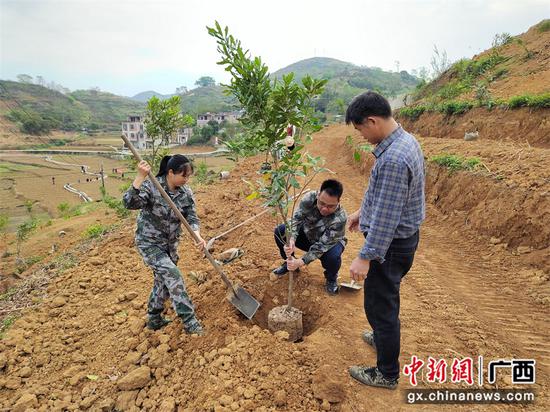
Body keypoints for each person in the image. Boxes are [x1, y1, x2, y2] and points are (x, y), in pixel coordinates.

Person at [345, 92, 425, 389]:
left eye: (360, 130)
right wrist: (361, 212)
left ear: (372, 121)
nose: (362, 136)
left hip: (390, 246)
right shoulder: (404, 141)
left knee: (382, 306)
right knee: (382, 300)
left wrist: (365, 255)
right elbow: (386, 197)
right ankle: (381, 336)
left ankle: (387, 373)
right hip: (401, 239)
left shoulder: (393, 158)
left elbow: (388, 218)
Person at [122, 154, 207, 335]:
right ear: (170, 172)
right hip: (150, 244)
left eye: (189, 176)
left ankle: (154, 318)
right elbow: (129, 203)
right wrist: (139, 177)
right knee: (172, 275)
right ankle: (189, 321)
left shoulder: (185, 193)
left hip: (170, 245)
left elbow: (191, 217)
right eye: (184, 176)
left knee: (162, 280)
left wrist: (197, 236)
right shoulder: (152, 186)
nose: (187, 180)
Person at [273, 179, 347, 295]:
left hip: (329, 243)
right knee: (280, 232)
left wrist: (301, 261)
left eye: (330, 206)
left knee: (333, 257)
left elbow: (322, 246)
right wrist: (291, 238)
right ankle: (289, 263)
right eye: (322, 203)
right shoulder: (309, 198)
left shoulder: (340, 218)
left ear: (338, 202)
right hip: (308, 234)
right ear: (318, 195)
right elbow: (297, 220)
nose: (324, 209)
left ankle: (331, 278)